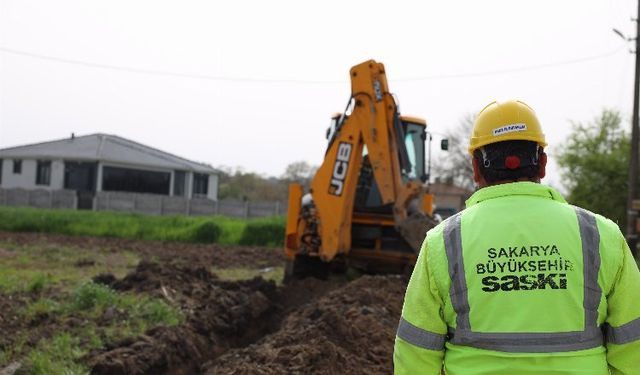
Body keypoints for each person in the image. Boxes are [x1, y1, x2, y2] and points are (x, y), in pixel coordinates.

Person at [393, 100, 640, 374]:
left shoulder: (442, 243)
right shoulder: (602, 236)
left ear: (475, 168)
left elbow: (415, 355)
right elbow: (633, 349)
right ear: (543, 163)